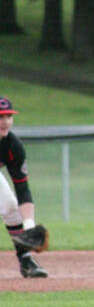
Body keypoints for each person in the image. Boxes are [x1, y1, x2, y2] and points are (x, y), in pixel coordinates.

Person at [0, 96, 48, 278]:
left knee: (11, 209)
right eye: (0, 117)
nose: (5, 122)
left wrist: (29, 226)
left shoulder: (13, 147)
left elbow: (22, 188)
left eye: (8, 116)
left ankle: (26, 260)